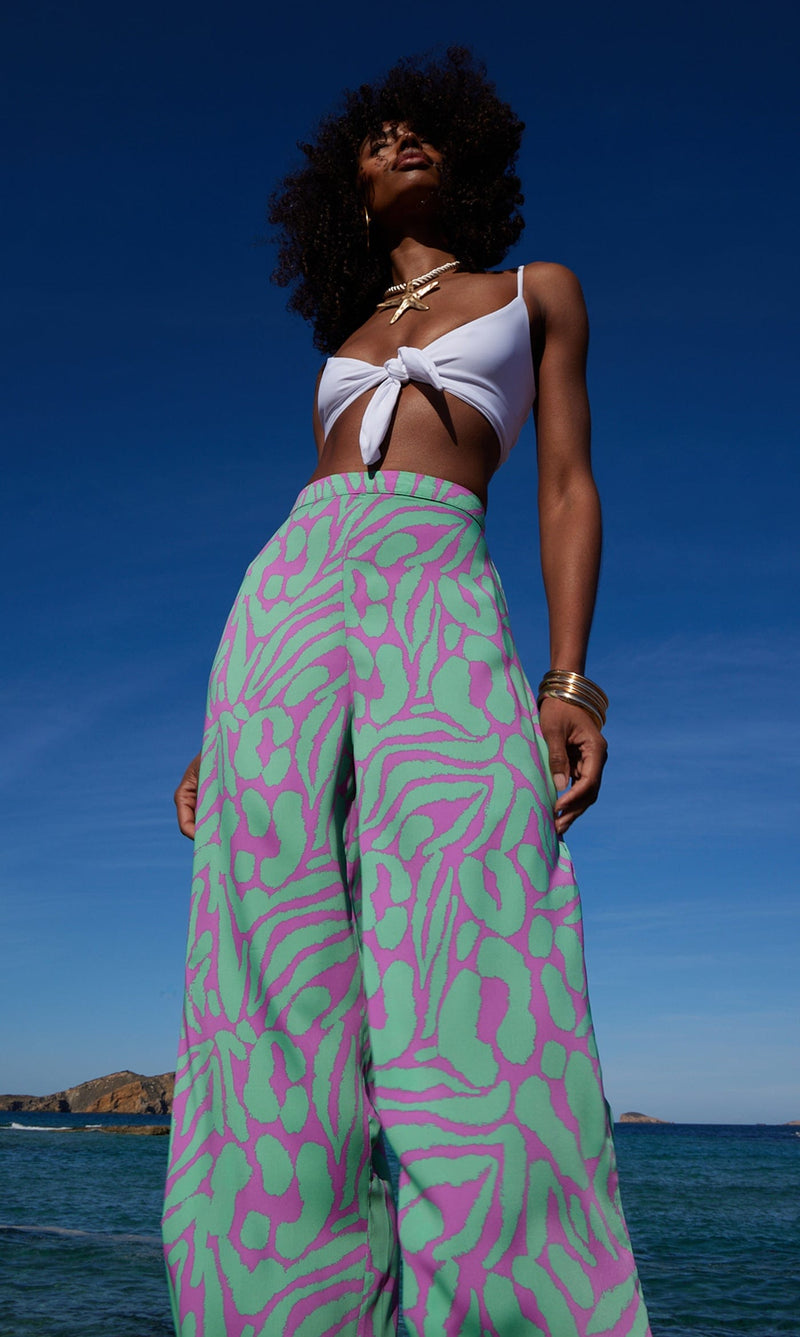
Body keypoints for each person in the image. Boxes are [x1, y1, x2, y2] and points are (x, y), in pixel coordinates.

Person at [163, 47, 652, 1337]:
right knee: (267, 961)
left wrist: (571, 681)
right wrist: (231, 733)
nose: (396, 141)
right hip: (289, 597)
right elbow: (317, 519)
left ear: (467, 153)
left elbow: (563, 488)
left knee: (479, 938)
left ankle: (520, 1308)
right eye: (373, 140)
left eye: (417, 130)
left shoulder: (534, 289)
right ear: (345, 191)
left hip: (441, 580)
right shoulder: (344, 338)